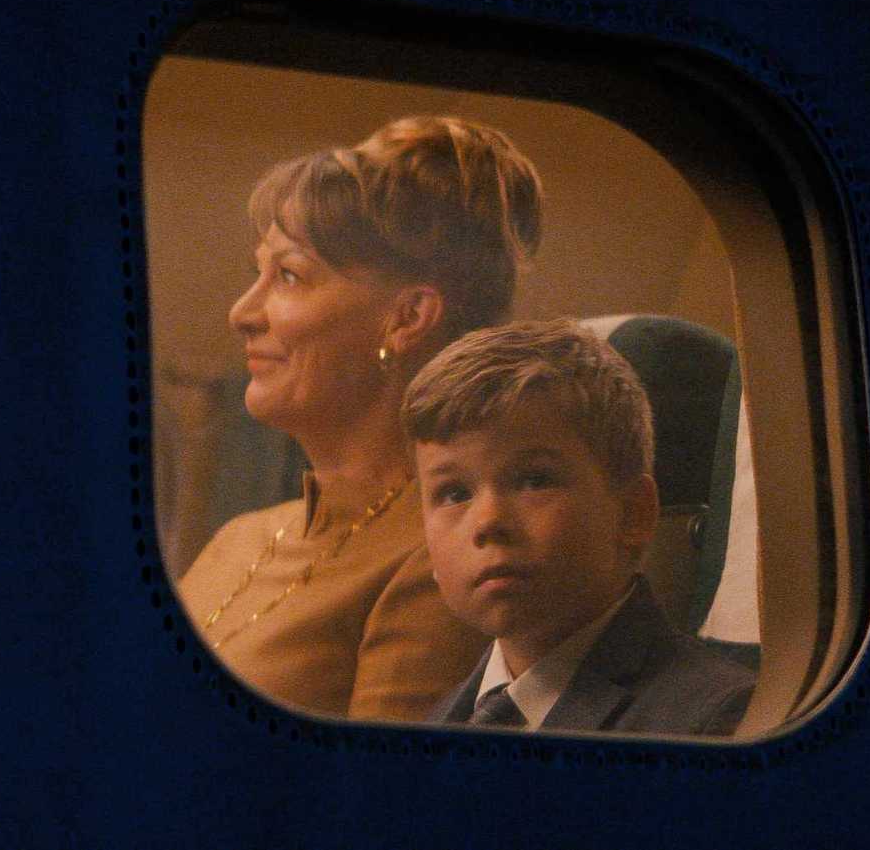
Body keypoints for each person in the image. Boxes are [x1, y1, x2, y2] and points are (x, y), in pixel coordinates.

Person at [174, 115, 545, 721]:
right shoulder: (236, 537)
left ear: (407, 318)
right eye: (257, 273)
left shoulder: (443, 559)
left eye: (288, 276)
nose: (243, 311)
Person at [403, 319, 756, 735]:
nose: (487, 522)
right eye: (454, 493)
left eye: (535, 480)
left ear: (633, 514)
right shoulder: (438, 722)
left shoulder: (717, 719)